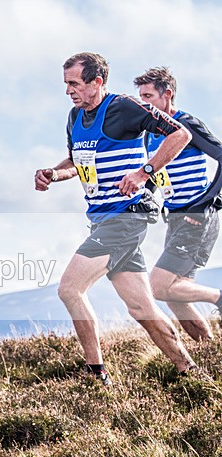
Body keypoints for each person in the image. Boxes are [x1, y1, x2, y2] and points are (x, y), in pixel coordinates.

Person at [34, 52, 201, 385]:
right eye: (66, 84)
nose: (69, 91)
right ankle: (190, 371)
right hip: (102, 219)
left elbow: (180, 134)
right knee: (142, 310)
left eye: (75, 84)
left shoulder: (123, 107)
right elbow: (77, 161)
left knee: (70, 289)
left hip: (125, 217)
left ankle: (97, 374)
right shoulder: (74, 117)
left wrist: (144, 172)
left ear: (97, 82)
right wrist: (54, 173)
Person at [133, 67, 222, 341]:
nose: (143, 104)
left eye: (148, 97)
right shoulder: (152, 133)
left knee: (158, 288)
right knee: (175, 294)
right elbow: (156, 175)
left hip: (197, 217)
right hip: (175, 218)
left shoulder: (186, 125)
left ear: (167, 95)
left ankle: (219, 298)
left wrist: (207, 203)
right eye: (140, 98)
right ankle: (207, 349)